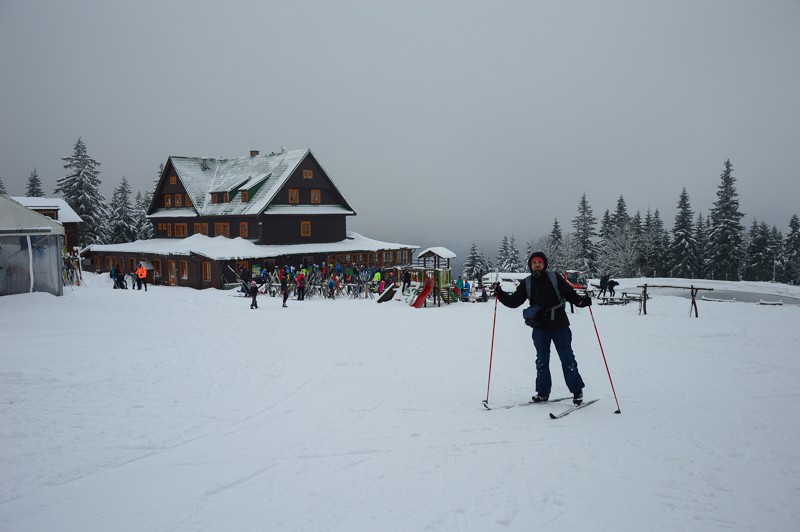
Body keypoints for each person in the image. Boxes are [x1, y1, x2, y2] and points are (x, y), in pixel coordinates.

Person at [493, 251, 592, 405]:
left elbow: (570, 294)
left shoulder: (554, 277)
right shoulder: (527, 282)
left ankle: (577, 391)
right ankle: (543, 392)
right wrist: (501, 294)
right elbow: (514, 302)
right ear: (531, 265)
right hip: (540, 327)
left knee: (567, 359)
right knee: (542, 361)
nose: (537, 265)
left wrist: (581, 302)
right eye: (534, 263)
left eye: (539, 262)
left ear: (544, 264)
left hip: (560, 325)